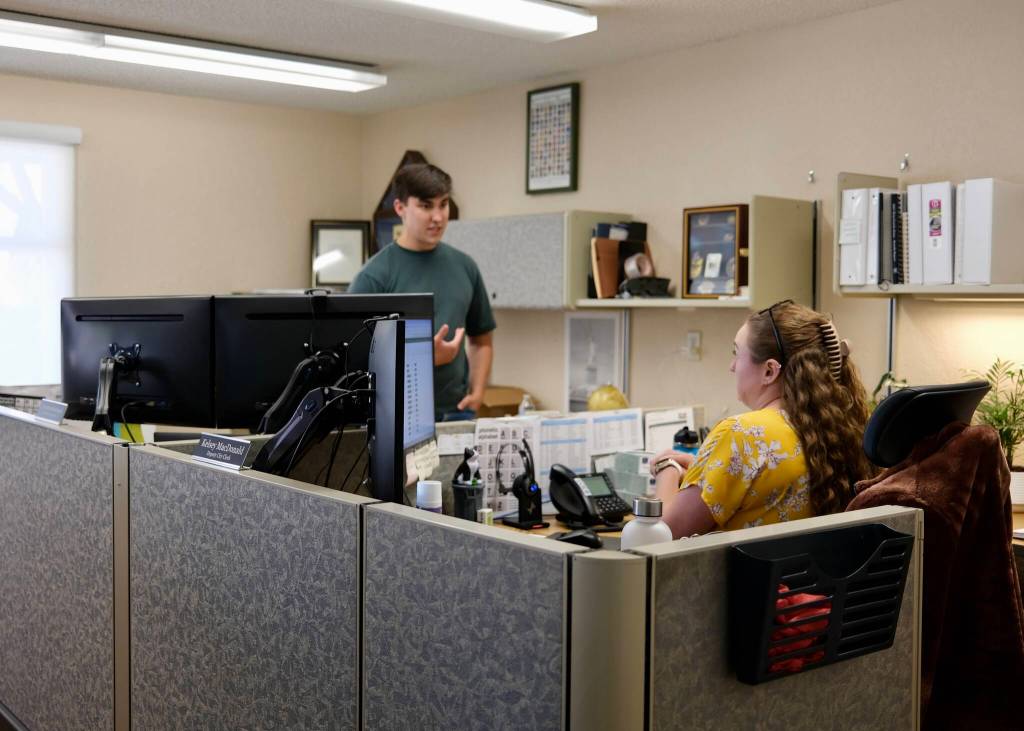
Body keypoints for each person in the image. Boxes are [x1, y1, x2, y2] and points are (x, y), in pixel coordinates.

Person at [651, 299, 874, 539]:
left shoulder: (741, 435)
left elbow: (661, 537)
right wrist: (703, 471)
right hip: (792, 577)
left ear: (769, 371)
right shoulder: (837, 429)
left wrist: (668, 470)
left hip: (735, 577)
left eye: (737, 353)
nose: (732, 366)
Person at [349, 164, 495, 422]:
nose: (438, 217)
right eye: (426, 206)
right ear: (400, 208)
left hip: (456, 412)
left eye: (443, 204)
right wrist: (424, 359)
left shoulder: (465, 266)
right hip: (395, 417)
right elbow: (353, 363)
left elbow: (481, 338)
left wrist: (478, 392)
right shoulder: (374, 276)